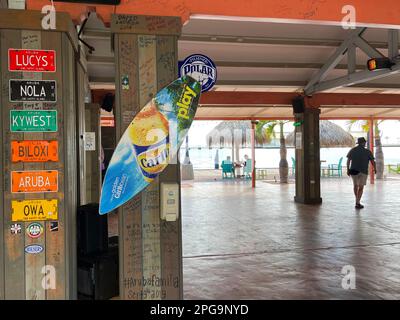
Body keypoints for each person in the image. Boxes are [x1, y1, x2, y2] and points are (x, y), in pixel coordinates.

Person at [346, 137, 377, 209]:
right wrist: (375, 169)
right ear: (363, 143)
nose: (365, 143)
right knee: (361, 188)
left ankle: (357, 201)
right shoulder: (368, 151)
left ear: (358, 143)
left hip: (353, 171)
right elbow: (372, 162)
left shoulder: (352, 150)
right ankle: (357, 202)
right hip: (363, 171)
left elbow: (348, 161)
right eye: (364, 142)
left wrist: (348, 169)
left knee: (355, 186)